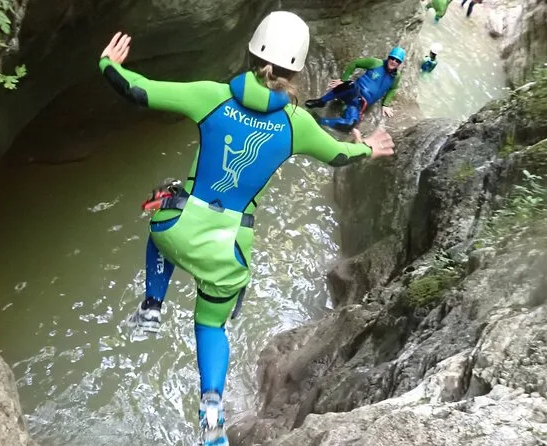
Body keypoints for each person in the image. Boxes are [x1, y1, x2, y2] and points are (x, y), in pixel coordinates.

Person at [99, 11, 394, 446]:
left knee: (162, 221)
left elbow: (137, 89)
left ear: (251, 52)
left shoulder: (210, 96)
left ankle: (151, 306)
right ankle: (212, 413)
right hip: (227, 252)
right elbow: (338, 156)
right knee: (210, 327)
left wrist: (108, 63)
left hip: (176, 226)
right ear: (296, 71)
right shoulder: (297, 124)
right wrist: (368, 148)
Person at [304, 47, 405, 131]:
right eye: (392, 58)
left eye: (397, 61)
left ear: (399, 63)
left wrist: (385, 104)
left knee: (349, 124)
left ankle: (318, 120)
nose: (393, 62)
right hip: (355, 91)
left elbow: (393, 89)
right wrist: (343, 79)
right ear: (388, 57)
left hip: (359, 104)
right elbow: (355, 63)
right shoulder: (376, 63)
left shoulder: (396, 76)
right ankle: (321, 101)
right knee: (350, 85)